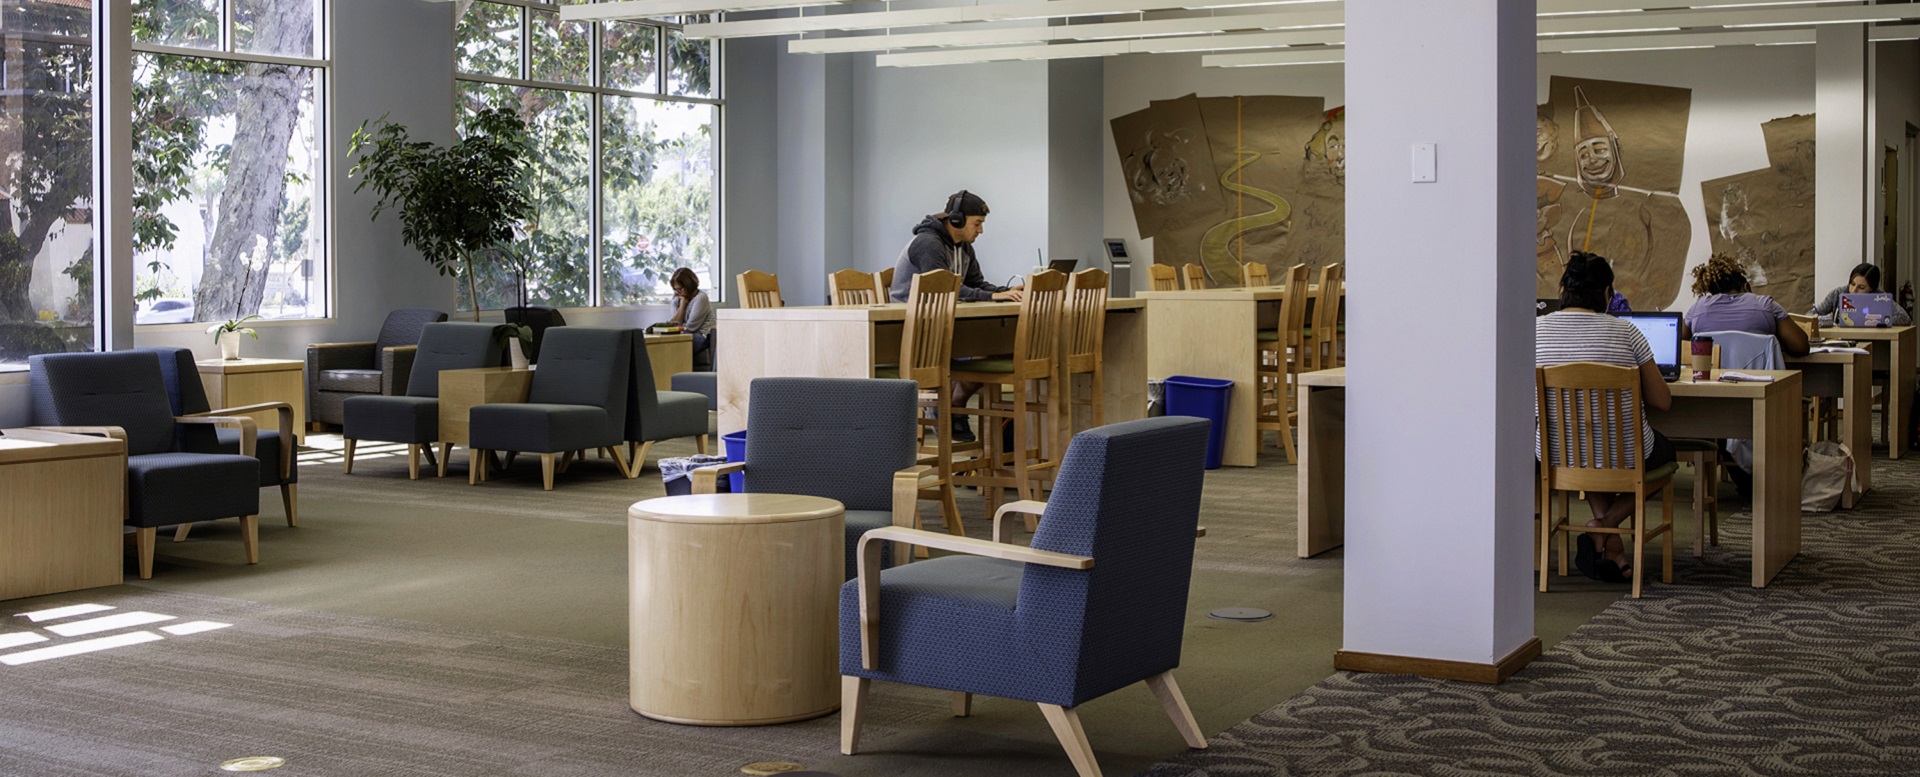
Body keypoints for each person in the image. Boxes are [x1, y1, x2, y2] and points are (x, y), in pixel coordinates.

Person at [1536, 252, 1675, 584]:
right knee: (1662, 455)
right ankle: (1604, 527)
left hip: (1555, 454)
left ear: (1563, 290)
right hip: (1622, 456)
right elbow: (1662, 401)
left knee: (1589, 451)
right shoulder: (1626, 332)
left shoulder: (1533, 331)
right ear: (1607, 294)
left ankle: (1611, 546)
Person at [888, 190, 1025, 442]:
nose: (981, 230)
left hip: (945, 323)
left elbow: (976, 283)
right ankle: (946, 404)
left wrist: (1005, 292)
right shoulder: (928, 243)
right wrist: (992, 297)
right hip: (915, 329)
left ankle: (952, 403)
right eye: (978, 223)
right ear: (957, 220)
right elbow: (942, 286)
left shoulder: (963, 247)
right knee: (990, 347)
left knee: (998, 348)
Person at [1680, 253, 1809, 357]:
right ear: (1745, 286)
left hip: (1713, 385)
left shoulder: (1697, 309)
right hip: (1760, 385)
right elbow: (1801, 346)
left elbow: (1677, 347)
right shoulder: (1765, 305)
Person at [1813, 262, 1912, 326]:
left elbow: (1904, 318)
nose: (1854, 290)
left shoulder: (1879, 297)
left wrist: (1876, 320)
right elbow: (1810, 315)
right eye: (1852, 284)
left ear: (1871, 289)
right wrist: (1828, 320)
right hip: (1839, 340)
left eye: (1861, 287)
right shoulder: (1838, 293)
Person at [665, 268, 713, 360]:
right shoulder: (677, 298)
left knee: (673, 344)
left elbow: (691, 327)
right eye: (675, 289)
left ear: (688, 285)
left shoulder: (701, 298)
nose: (677, 292)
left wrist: (683, 305)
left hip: (702, 335)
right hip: (685, 333)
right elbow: (674, 325)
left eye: (679, 289)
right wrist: (683, 304)